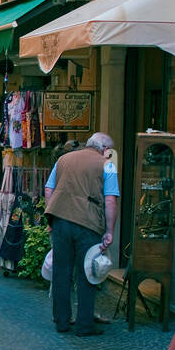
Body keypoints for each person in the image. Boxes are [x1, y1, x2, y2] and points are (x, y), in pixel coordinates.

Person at [43, 131, 119, 336]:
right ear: (104, 149)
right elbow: (111, 200)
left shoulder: (63, 159)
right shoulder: (107, 165)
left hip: (60, 219)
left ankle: (61, 321)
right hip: (88, 223)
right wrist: (110, 231)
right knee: (88, 273)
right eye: (109, 150)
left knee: (61, 271)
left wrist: (51, 215)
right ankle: (85, 325)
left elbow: (48, 189)